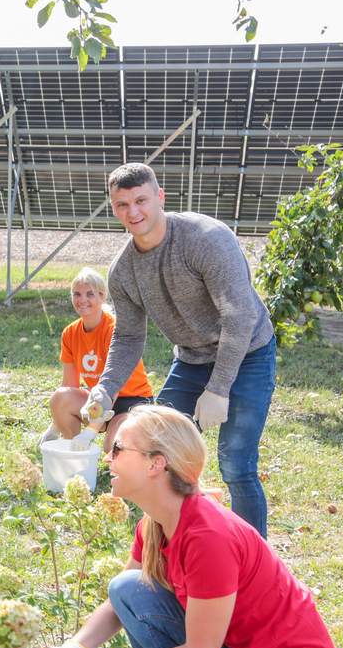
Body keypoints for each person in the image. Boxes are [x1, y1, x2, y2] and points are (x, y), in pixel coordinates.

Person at [29, 405, 338, 648]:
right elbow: (120, 603)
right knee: (127, 589)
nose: (107, 458)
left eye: (118, 449)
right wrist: (77, 647)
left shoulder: (208, 537)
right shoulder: (157, 520)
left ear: (156, 463)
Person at [82, 163, 276, 537]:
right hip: (191, 357)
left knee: (236, 462)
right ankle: (171, 545)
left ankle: (255, 559)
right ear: (113, 207)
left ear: (160, 197)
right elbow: (128, 337)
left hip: (249, 351)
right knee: (158, 452)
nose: (133, 212)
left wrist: (219, 388)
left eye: (141, 200)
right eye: (122, 205)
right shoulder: (123, 271)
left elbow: (239, 318)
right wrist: (104, 390)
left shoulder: (206, 239)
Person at [45, 267, 154, 452]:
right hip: (98, 400)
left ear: (102, 296)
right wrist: (55, 425)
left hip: (131, 400)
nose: (82, 300)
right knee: (61, 397)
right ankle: (75, 452)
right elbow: (69, 385)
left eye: (90, 294)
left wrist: (91, 431)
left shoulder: (114, 329)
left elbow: (113, 384)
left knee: (112, 448)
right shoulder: (70, 333)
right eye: (77, 294)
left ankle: (115, 437)